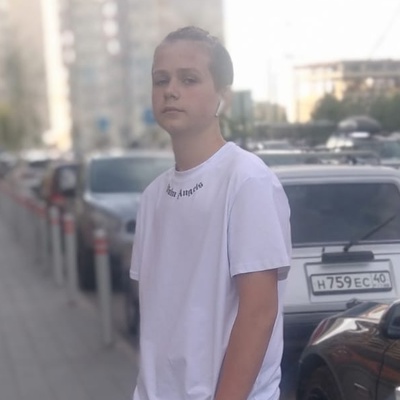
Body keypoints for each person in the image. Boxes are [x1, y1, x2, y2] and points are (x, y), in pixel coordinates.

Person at [130, 26, 292, 400]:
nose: (171, 90)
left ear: (223, 96)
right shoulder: (152, 197)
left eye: (189, 79)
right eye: (161, 80)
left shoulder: (246, 179)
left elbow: (259, 312)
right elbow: (160, 318)